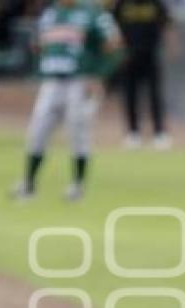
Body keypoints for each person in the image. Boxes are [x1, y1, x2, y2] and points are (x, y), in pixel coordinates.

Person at [12, 0, 121, 201]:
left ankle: (77, 185)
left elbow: (114, 44)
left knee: (78, 133)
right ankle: (28, 183)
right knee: (37, 131)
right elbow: (39, 44)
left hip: (80, 80)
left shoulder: (93, 13)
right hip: (52, 80)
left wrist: (99, 74)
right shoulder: (51, 13)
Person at [112, 0, 178, 150]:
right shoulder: (121, 3)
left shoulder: (155, 3)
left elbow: (167, 24)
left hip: (151, 55)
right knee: (130, 96)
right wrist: (116, 51)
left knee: (155, 96)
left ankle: (159, 133)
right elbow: (112, 27)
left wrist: (172, 45)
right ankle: (133, 133)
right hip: (128, 56)